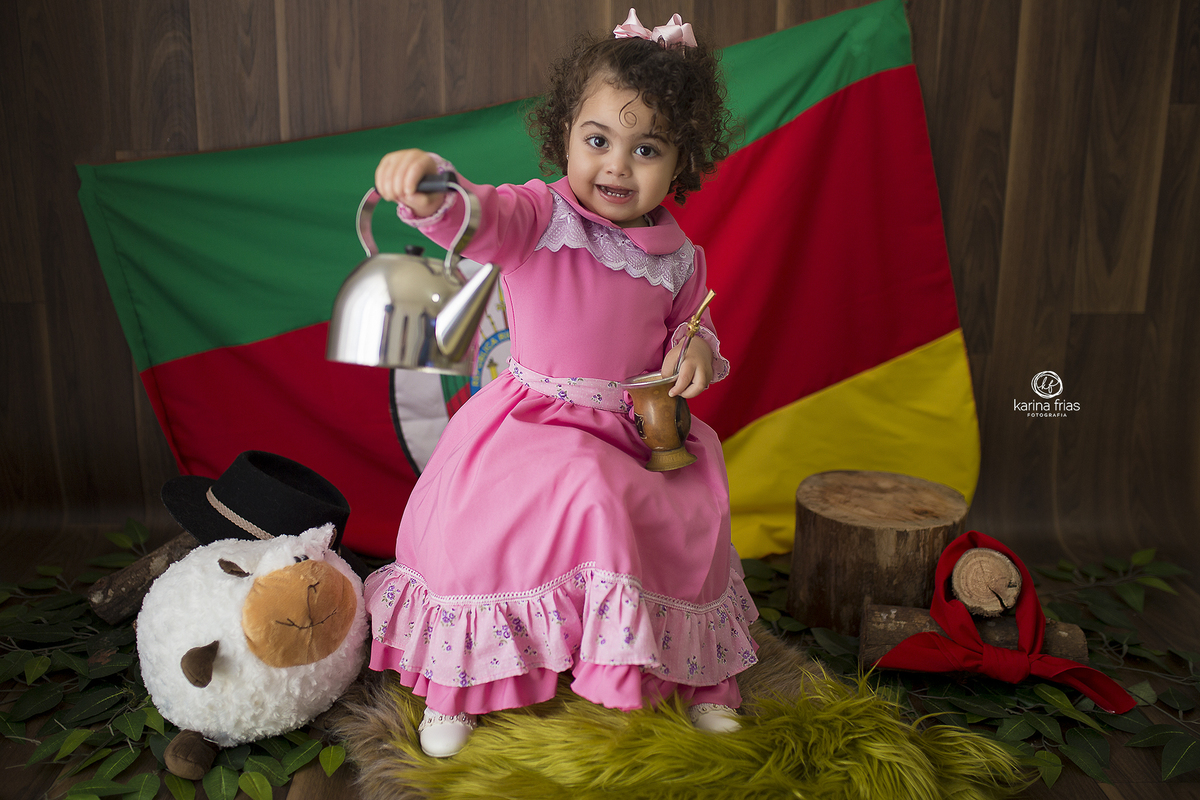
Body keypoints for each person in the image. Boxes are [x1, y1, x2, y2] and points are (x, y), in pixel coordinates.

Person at [364, 9, 758, 758]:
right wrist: (432, 191)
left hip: (637, 430)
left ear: (682, 163)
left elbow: (687, 323)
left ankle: (699, 677)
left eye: (646, 149)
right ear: (565, 133)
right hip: (536, 422)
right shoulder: (540, 216)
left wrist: (696, 348)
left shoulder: (679, 257)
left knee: (691, 514)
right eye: (598, 140)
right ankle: (460, 685)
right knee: (538, 509)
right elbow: (480, 217)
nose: (616, 166)